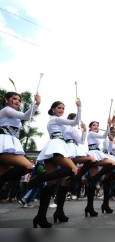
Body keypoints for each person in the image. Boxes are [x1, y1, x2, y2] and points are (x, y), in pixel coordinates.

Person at [32, 99, 81, 228]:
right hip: (56, 147)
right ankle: (38, 179)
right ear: (53, 109)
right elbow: (75, 121)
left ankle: (42, 216)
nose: (61, 110)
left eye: (63, 108)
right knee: (73, 170)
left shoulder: (61, 123)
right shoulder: (55, 119)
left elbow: (78, 136)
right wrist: (79, 107)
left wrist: (81, 130)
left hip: (57, 147)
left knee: (53, 184)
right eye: (59, 108)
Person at [0, 92, 40, 191]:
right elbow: (26, 116)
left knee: (3, 172)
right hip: (4, 144)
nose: (17, 101)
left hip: (11, 145)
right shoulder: (6, 110)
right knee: (28, 166)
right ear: (6, 100)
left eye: (19, 100)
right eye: (14, 98)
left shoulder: (13, 114)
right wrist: (37, 104)